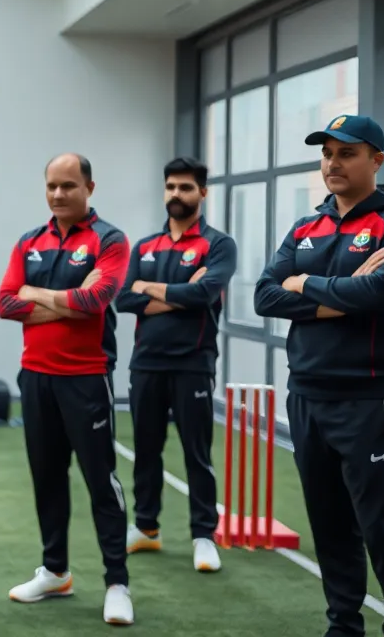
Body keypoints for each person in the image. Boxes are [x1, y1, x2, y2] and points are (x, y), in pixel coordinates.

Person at [254, 114, 384, 637]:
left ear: (376, 159)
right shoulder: (306, 226)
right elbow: (265, 295)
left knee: (382, 528)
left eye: (347, 153)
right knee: (330, 526)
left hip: (369, 400)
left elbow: (380, 292)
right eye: (326, 152)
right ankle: (343, 626)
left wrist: (303, 282)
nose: (333, 162)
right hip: (306, 395)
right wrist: (336, 291)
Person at [0, 153, 134, 625]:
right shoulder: (29, 241)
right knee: (47, 478)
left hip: (86, 379)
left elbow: (97, 299)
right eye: (52, 186)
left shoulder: (109, 239)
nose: (58, 194)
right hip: (35, 376)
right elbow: (5, 302)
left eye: (69, 186)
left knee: (101, 482)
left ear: (89, 188)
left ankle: (117, 582)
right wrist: (66, 303)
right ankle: (55, 572)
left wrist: (37, 295)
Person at [114, 156, 237, 574]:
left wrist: (150, 289)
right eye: (170, 187)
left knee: (196, 453)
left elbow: (206, 295)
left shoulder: (218, 245)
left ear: (202, 192)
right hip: (146, 362)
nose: (176, 195)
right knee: (146, 450)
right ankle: (146, 528)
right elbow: (123, 298)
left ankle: (204, 535)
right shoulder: (145, 245)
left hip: (193, 363)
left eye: (185, 188)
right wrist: (180, 292)